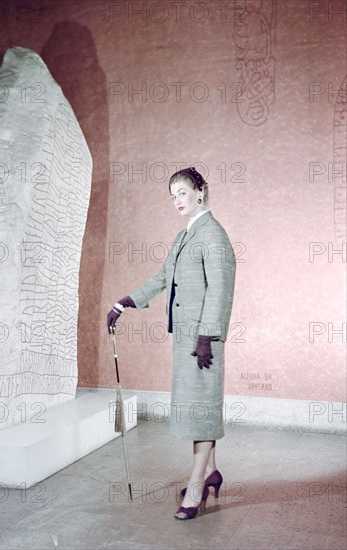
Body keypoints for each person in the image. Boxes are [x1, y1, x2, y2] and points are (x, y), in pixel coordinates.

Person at [107, 166, 236, 520]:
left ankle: (195, 488)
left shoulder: (214, 236)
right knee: (197, 407)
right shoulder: (184, 237)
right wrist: (125, 302)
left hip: (203, 339)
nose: (178, 200)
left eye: (183, 192)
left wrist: (208, 336)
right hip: (187, 337)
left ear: (201, 191)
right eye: (172, 196)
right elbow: (163, 277)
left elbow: (221, 290)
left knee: (203, 409)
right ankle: (210, 473)